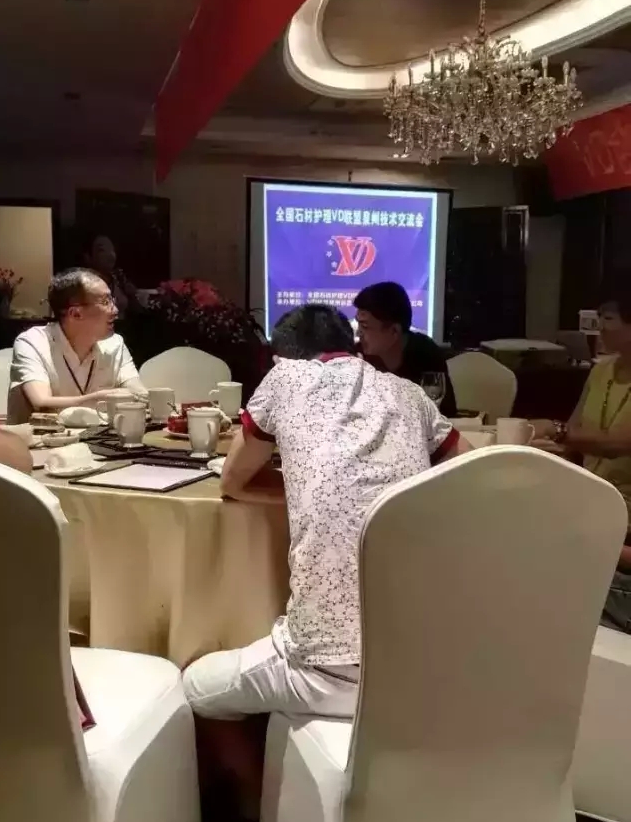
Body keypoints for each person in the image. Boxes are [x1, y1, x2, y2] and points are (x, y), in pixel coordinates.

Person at [183, 304, 468, 724]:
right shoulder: (410, 393)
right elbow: (473, 472)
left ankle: (255, 766)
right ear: (353, 347)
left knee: (195, 687)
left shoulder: (285, 377)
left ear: (280, 358)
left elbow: (233, 480)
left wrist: (302, 491)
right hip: (430, 664)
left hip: (326, 669)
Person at [534, 290, 631, 632]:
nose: (600, 328)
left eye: (609, 320)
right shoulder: (601, 372)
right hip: (590, 500)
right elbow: (574, 432)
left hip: (622, 513)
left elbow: (619, 444)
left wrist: (557, 431)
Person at [7, 268, 146, 423]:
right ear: (75, 314)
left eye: (112, 300)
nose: (115, 310)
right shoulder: (33, 342)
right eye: (106, 302)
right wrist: (103, 398)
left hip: (99, 437)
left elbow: (137, 392)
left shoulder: (115, 343)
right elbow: (41, 402)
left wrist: (142, 396)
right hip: (36, 437)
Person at [354, 281, 457, 416]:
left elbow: (445, 412)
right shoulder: (358, 356)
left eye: (365, 327)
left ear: (394, 331)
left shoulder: (426, 354)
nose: (358, 333)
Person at [86, 234, 139, 315]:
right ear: (88, 257)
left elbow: (135, 309)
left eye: (112, 249)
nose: (110, 254)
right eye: (102, 250)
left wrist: (132, 296)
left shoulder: (118, 277)